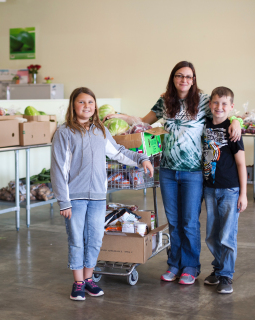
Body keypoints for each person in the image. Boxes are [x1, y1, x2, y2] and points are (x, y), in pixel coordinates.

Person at [106, 61, 241, 285]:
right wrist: (123, 117)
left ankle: (190, 266)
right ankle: (174, 264)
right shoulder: (165, 101)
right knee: (174, 221)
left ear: (194, 79)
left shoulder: (204, 101)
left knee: (189, 221)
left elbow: (223, 112)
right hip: (168, 171)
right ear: (173, 78)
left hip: (193, 172)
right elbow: (144, 122)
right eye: (180, 76)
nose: (185, 80)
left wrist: (236, 121)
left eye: (189, 77)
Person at [51, 87, 153, 301]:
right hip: (75, 198)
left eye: (90, 102)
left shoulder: (100, 130)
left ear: (95, 106)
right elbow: (59, 169)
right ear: (73, 105)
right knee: (77, 239)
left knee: (96, 238)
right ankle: (77, 283)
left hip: (97, 196)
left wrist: (141, 158)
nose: (87, 106)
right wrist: (64, 201)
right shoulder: (64, 132)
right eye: (81, 102)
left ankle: (89, 279)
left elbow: (119, 153)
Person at [202, 87, 247, 294]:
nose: (219, 107)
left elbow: (241, 164)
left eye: (224, 104)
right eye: (215, 103)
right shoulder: (204, 124)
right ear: (210, 104)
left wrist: (243, 194)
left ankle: (226, 275)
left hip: (230, 189)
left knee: (227, 235)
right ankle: (219, 268)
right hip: (210, 189)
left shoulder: (233, 130)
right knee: (212, 234)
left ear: (231, 107)